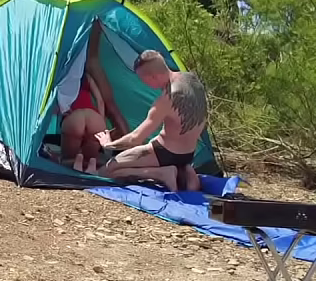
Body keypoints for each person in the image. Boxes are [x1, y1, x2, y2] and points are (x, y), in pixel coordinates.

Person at [96, 50, 207, 191]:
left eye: (143, 79)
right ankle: (183, 170)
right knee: (185, 178)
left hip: (164, 152)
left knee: (107, 171)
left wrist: (108, 144)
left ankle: (161, 173)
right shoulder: (193, 80)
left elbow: (135, 139)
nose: (144, 83)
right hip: (189, 153)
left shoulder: (166, 99)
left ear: (153, 76)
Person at [58, 20, 130, 173]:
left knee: (65, 159)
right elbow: (100, 100)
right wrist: (101, 120)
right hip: (94, 117)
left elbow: (54, 108)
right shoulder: (87, 78)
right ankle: (91, 166)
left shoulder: (62, 80)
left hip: (74, 117)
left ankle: (74, 162)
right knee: (92, 158)